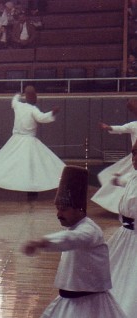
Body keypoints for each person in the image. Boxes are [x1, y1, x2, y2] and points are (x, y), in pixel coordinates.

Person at [22, 166, 127, 318]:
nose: (59, 214)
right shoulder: (75, 228)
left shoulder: (90, 231)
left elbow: (71, 239)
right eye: (57, 209)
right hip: (69, 302)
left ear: (79, 209)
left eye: (64, 209)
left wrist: (42, 242)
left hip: (91, 305)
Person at [0, 86, 65, 197]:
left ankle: (28, 187)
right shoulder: (33, 109)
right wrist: (52, 113)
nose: (34, 97)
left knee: (20, 164)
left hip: (17, 140)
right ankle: (30, 189)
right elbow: (42, 118)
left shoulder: (19, 105)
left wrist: (17, 94)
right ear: (30, 97)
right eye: (32, 95)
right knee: (29, 165)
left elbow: (14, 101)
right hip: (26, 141)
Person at [106, 139, 137, 317]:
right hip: (124, 237)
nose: (134, 158)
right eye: (133, 153)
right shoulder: (133, 177)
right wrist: (117, 180)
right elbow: (126, 182)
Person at [91, 99, 137, 214]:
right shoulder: (134, 125)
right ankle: (123, 206)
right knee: (131, 181)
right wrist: (109, 128)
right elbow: (121, 128)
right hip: (135, 158)